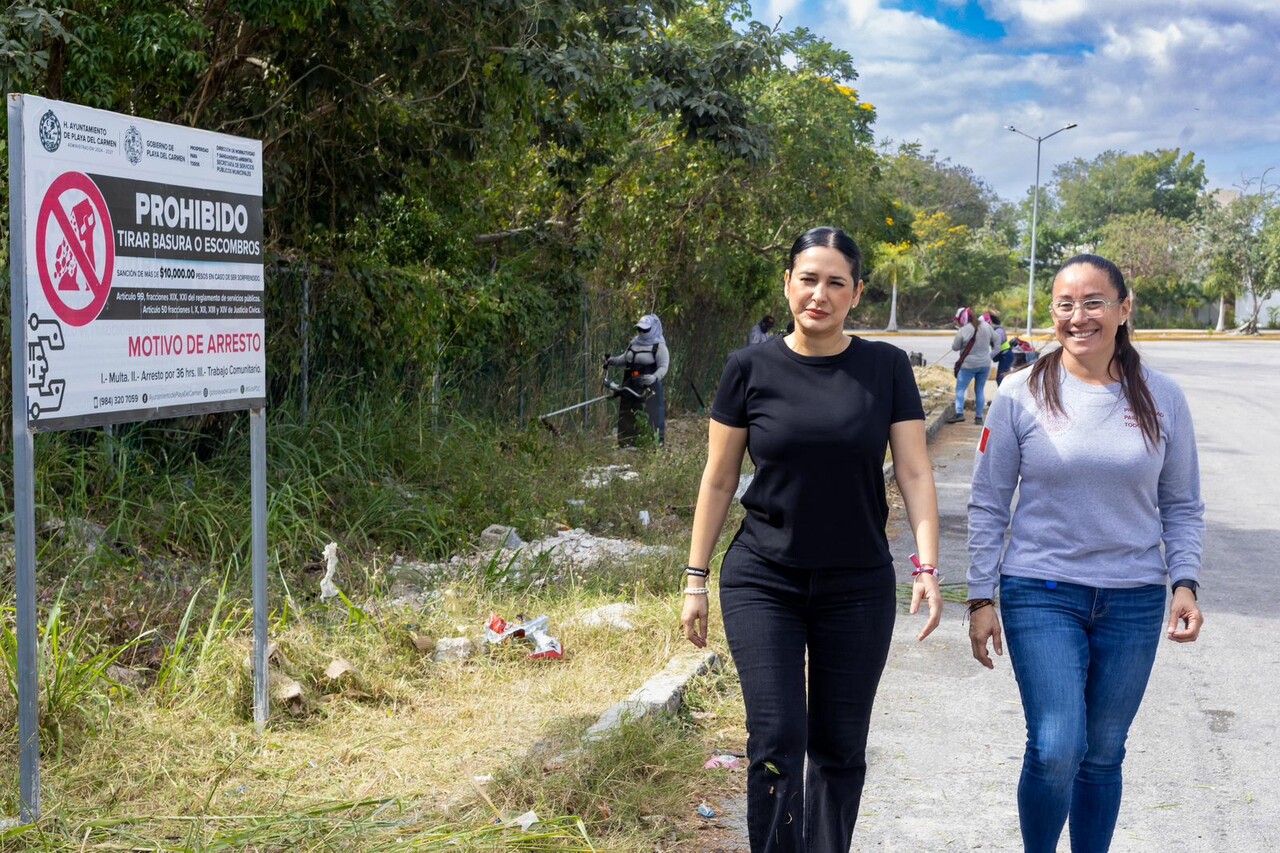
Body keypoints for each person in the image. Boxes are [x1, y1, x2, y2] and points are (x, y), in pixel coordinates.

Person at [681, 227, 942, 852]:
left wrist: (927, 566)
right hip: (763, 578)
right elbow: (718, 479)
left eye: (835, 283)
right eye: (807, 279)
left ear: (856, 293)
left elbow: (913, 471)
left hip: (857, 583)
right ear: (788, 284)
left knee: (840, 745)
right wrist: (694, 579)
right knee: (776, 739)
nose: (818, 294)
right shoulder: (749, 367)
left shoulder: (885, 368)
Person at [966, 254, 1204, 853]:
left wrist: (1185, 582)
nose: (1079, 317)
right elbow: (989, 502)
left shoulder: (1164, 397)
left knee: (1102, 753)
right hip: (1040, 591)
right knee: (1056, 746)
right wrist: (979, 596)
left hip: (1134, 599)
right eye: (1065, 304)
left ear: (1124, 309)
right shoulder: (1019, 394)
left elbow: (1181, 504)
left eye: (1094, 302)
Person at [605, 313, 669, 446]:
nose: (641, 332)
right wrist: (613, 361)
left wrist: (654, 377)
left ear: (653, 329)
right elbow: (625, 358)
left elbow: (663, 367)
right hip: (630, 384)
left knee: (649, 415)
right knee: (627, 414)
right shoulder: (634, 343)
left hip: (648, 388)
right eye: (639, 329)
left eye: (645, 330)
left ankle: (651, 444)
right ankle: (626, 442)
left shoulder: (659, 347)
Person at [946, 307, 999, 424]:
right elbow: (997, 339)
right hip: (985, 364)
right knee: (979, 390)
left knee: (960, 388)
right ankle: (979, 417)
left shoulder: (963, 330)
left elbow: (955, 347)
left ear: (962, 319)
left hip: (968, 366)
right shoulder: (986, 326)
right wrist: (990, 355)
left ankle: (959, 413)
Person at [984, 311, 1014, 385]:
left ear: (991, 323)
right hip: (1004, 355)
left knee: (1000, 378)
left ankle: (1004, 392)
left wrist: (987, 357)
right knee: (1003, 377)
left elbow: (996, 348)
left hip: (1006, 356)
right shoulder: (995, 330)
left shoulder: (998, 331)